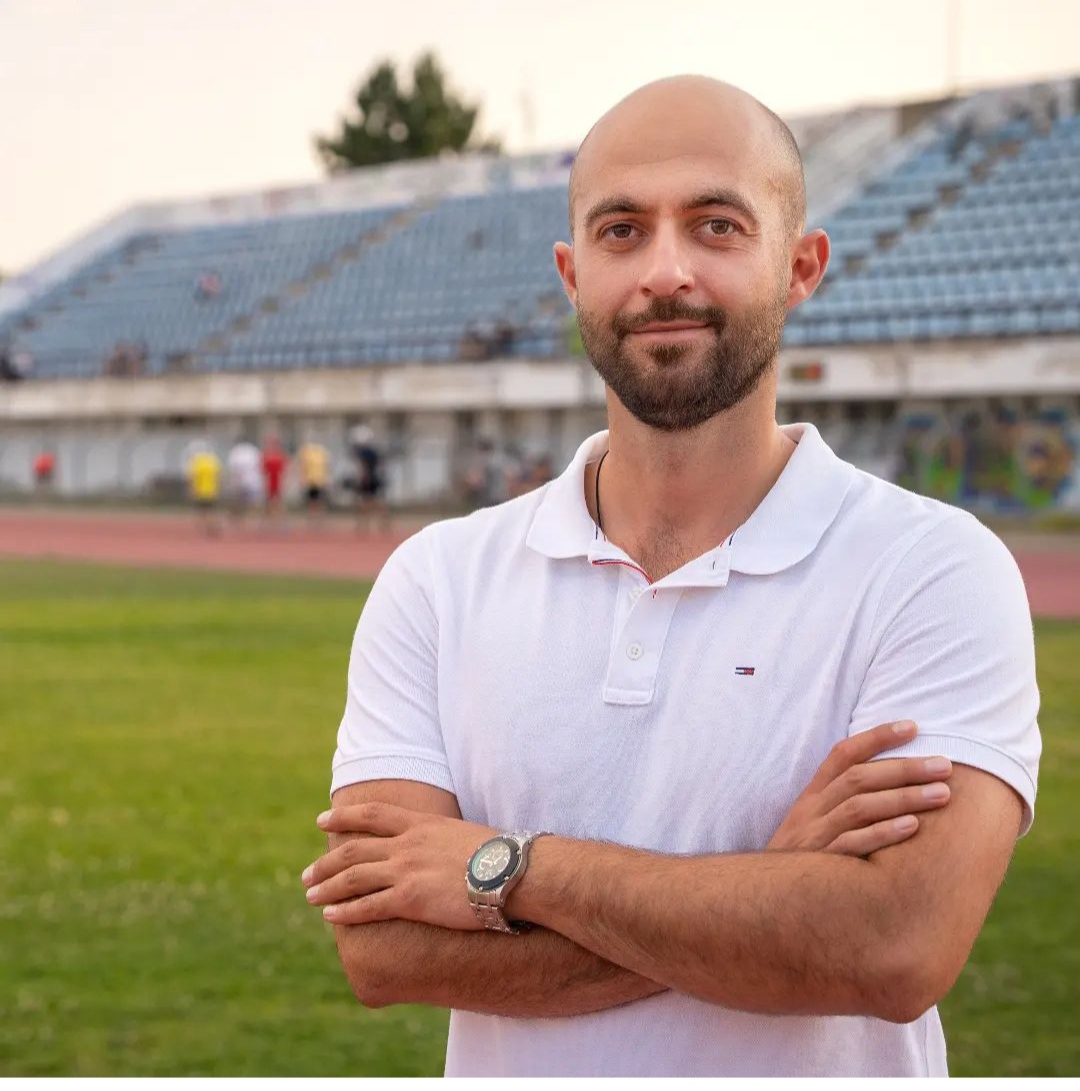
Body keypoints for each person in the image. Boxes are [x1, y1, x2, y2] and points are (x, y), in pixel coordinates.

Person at [303, 77, 1040, 1078]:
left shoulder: (934, 571)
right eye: (620, 231)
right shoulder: (437, 578)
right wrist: (775, 894)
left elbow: (892, 947)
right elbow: (383, 949)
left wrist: (510, 869)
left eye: (717, 225)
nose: (664, 271)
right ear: (571, 274)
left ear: (801, 266)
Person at [347, 423, 388, 534]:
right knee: (372, 502)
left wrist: (361, 479)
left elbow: (363, 467)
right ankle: (379, 523)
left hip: (368, 480)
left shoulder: (364, 453)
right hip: (374, 478)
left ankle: (364, 525)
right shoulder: (373, 451)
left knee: (366, 503)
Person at [185, 443, 221, 536]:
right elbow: (218, 476)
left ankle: (206, 528)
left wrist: (191, 490)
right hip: (212, 490)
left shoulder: (196, 463)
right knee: (211, 510)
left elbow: (192, 478)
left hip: (200, 490)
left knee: (202, 511)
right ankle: (212, 526)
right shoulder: (212, 462)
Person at [225, 436, 262, 523]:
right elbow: (259, 466)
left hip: (240, 481)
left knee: (238, 502)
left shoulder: (235, 452)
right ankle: (252, 520)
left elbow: (232, 468)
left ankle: (239, 520)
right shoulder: (253, 450)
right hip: (253, 480)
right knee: (252, 503)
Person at [297, 436, 331, 527]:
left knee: (320, 501)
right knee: (311, 501)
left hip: (320, 480)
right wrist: (303, 479)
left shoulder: (322, 453)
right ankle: (312, 520)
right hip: (311, 480)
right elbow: (304, 467)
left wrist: (327, 479)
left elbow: (326, 467)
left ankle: (320, 520)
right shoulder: (307, 453)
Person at [260, 435, 288, 529]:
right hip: (270, 482)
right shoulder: (267, 456)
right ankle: (270, 522)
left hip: (277, 482)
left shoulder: (279, 457)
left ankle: (278, 522)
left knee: (277, 503)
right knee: (269, 503)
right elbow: (263, 471)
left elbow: (283, 471)